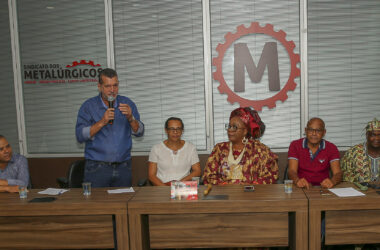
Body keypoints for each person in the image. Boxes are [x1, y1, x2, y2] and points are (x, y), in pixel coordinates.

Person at [76, 68, 144, 187]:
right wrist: (102, 122)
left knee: (123, 204)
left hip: (123, 167)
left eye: (115, 85)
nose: (112, 90)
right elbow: (80, 135)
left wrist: (130, 118)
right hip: (97, 168)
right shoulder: (89, 106)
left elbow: (140, 131)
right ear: (99, 86)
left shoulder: (127, 103)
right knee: (98, 204)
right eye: (108, 86)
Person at [202, 107, 278, 185]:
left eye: (234, 127)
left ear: (245, 131)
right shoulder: (219, 149)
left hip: (252, 194)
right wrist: (224, 186)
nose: (230, 130)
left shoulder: (260, 150)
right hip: (224, 194)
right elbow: (208, 176)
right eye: (229, 126)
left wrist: (252, 186)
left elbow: (271, 175)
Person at [288, 117, 342, 189]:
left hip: (323, 188)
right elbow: (291, 171)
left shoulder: (331, 148)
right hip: (301, 188)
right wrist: (297, 181)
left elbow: (338, 173)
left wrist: (332, 181)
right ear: (306, 130)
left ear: (324, 132)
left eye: (318, 130)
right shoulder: (295, 145)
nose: (314, 133)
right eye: (310, 130)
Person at [148, 117, 201, 186]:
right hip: (162, 187)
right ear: (166, 130)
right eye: (172, 129)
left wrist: (178, 184)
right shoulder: (156, 148)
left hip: (183, 187)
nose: (175, 132)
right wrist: (164, 188)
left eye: (178, 129)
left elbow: (197, 171)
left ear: (182, 130)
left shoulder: (191, 148)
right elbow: (151, 176)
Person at [341, 118, 380, 183]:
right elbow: (345, 177)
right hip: (359, 190)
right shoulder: (352, 153)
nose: (377, 138)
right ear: (367, 135)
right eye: (373, 135)